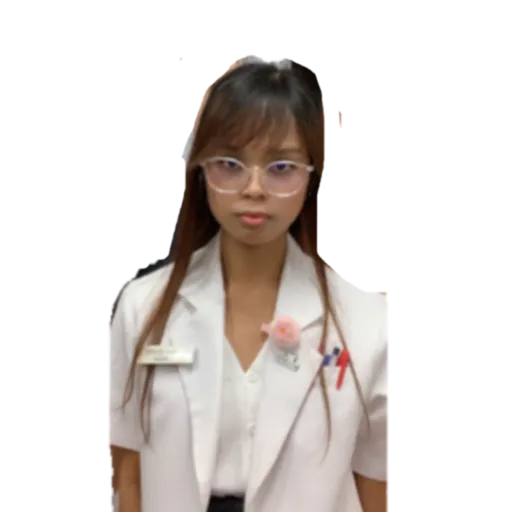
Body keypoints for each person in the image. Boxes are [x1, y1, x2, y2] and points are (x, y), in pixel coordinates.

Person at [109, 57, 391, 512]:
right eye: (230, 163)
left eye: (281, 167)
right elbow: (129, 472)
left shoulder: (366, 320)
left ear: (311, 175)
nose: (254, 188)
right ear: (201, 169)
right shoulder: (144, 307)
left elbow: (375, 480)